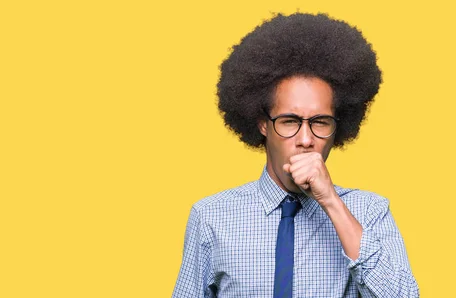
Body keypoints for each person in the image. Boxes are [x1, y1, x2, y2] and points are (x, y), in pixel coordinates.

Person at [172, 12, 419, 297]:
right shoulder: (211, 217)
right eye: (289, 121)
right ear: (263, 123)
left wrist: (331, 203)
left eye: (320, 122)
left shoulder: (369, 212)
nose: (305, 139)